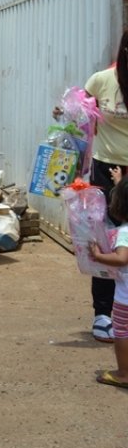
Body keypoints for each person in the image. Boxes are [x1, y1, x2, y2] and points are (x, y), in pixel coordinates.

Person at [82, 30, 128, 343]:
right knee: (107, 240)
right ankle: (103, 313)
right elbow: (77, 113)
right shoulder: (102, 80)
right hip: (106, 167)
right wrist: (67, 113)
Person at [88, 166, 128, 388]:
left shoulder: (124, 233)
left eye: (113, 201)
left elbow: (122, 259)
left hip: (125, 299)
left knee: (122, 333)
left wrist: (99, 256)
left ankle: (124, 373)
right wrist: (120, 182)